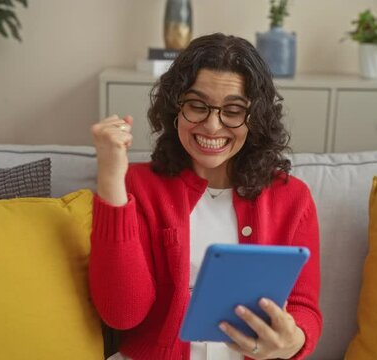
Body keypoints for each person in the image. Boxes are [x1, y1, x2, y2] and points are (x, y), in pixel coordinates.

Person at [89, 33, 321, 360]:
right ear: (175, 108)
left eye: (234, 110)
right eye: (197, 106)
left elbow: (304, 307)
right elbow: (123, 313)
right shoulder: (137, 185)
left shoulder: (292, 197)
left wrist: (292, 341)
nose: (212, 126)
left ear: (256, 118)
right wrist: (111, 177)